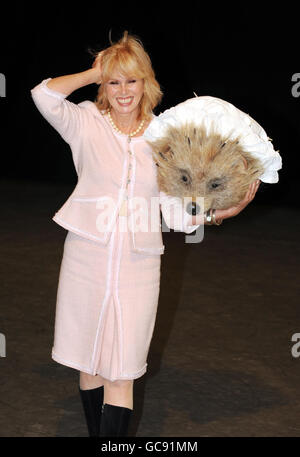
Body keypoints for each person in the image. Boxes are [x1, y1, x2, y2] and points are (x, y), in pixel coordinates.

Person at [30, 31, 260, 437]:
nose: (123, 91)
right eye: (114, 81)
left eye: (131, 80)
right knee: (91, 362)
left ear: (146, 83)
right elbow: (44, 95)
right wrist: (94, 71)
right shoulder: (85, 121)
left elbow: (176, 211)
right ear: (103, 84)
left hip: (139, 266)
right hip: (86, 256)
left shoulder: (163, 139)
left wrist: (227, 209)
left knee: (123, 369)